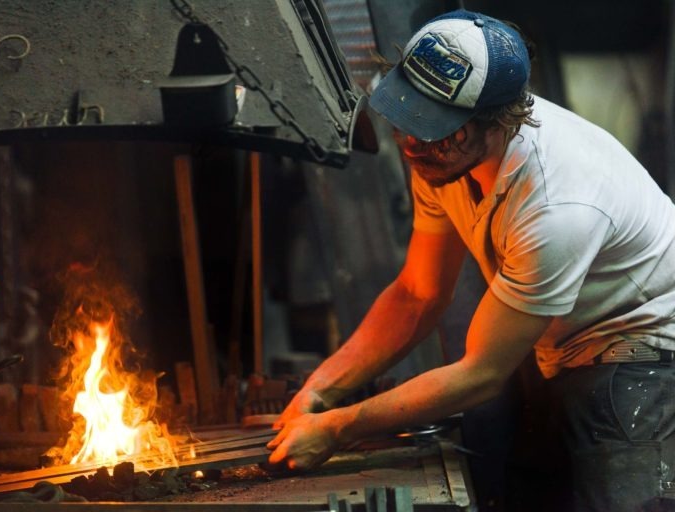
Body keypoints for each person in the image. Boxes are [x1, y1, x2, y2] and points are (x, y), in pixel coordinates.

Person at [266, 8, 675, 512]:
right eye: (408, 120)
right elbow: (418, 293)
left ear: (499, 121)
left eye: (437, 130)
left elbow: (482, 372)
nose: (412, 144)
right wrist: (320, 391)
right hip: (558, 342)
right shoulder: (438, 156)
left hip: (643, 354)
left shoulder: (558, 205)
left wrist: (338, 428)